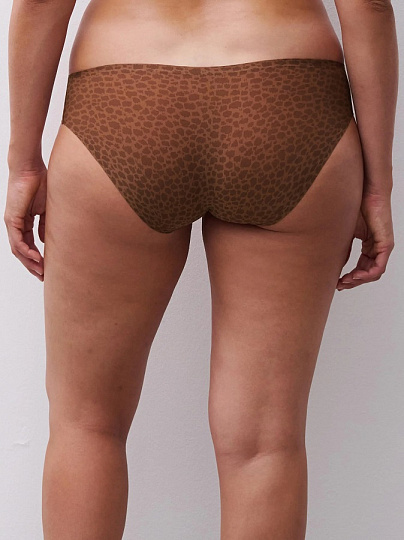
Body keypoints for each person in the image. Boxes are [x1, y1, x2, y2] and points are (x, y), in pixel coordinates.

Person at [4, 0, 398, 538]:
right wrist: (378, 185)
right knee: (265, 444)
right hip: (287, 100)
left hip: (125, 99)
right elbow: (368, 6)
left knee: (86, 424)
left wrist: (23, 163)